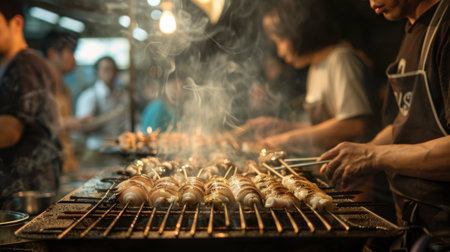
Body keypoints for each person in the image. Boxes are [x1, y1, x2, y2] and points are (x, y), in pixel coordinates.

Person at [319, 0, 450, 249]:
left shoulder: (446, 26)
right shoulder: (410, 27)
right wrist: (358, 154)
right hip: (413, 223)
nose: (371, 4)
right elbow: (402, 124)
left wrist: (373, 155)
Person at [245, 0, 375, 156]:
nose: (280, 52)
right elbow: (324, 126)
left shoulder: (341, 59)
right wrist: (285, 127)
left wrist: (287, 139)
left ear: (298, 32)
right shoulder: (315, 67)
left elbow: (354, 124)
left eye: (279, 41)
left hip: (359, 172)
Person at [0, 1, 62, 209]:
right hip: (19, 192)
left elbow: (8, 133)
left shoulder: (25, 66)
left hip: (27, 194)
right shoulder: (12, 67)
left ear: (16, 23)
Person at [42, 29, 84, 172]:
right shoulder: (39, 86)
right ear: (53, 54)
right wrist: (69, 122)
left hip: (66, 163)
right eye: (70, 53)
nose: (74, 59)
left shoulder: (65, 88)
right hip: (47, 165)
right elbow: (40, 124)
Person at [75, 56, 128, 150]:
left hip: (120, 148)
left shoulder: (122, 95)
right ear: (97, 72)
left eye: (113, 69)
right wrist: (114, 114)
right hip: (97, 149)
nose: (111, 73)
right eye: (106, 69)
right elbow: (82, 126)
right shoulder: (88, 96)